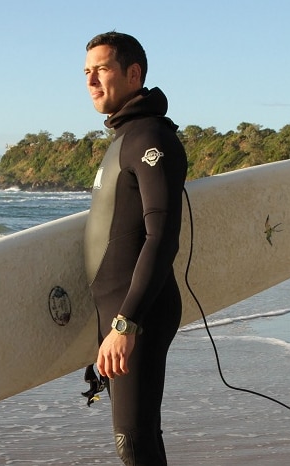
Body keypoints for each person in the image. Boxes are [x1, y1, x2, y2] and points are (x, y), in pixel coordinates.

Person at [83, 32, 188, 466]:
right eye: (86, 72)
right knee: (138, 438)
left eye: (101, 69)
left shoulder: (150, 138)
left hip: (137, 313)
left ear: (133, 74)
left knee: (134, 441)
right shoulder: (125, 138)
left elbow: (161, 236)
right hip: (122, 313)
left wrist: (126, 325)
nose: (91, 81)